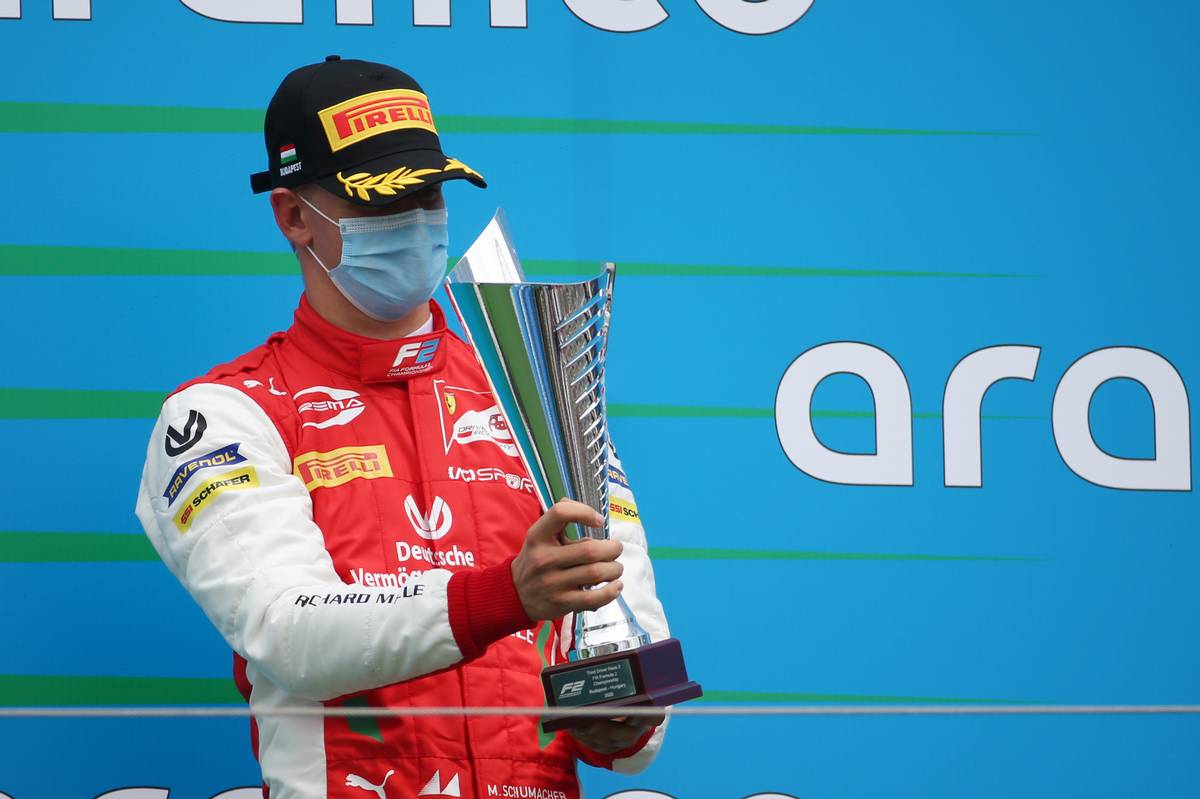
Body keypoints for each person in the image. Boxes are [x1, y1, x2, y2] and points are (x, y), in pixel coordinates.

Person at [133, 56, 670, 799]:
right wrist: (506, 597)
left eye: (428, 194)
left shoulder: (538, 395)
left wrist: (622, 716)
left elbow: (633, 653)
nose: (415, 220)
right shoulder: (224, 415)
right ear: (293, 216)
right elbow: (288, 635)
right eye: (381, 200)